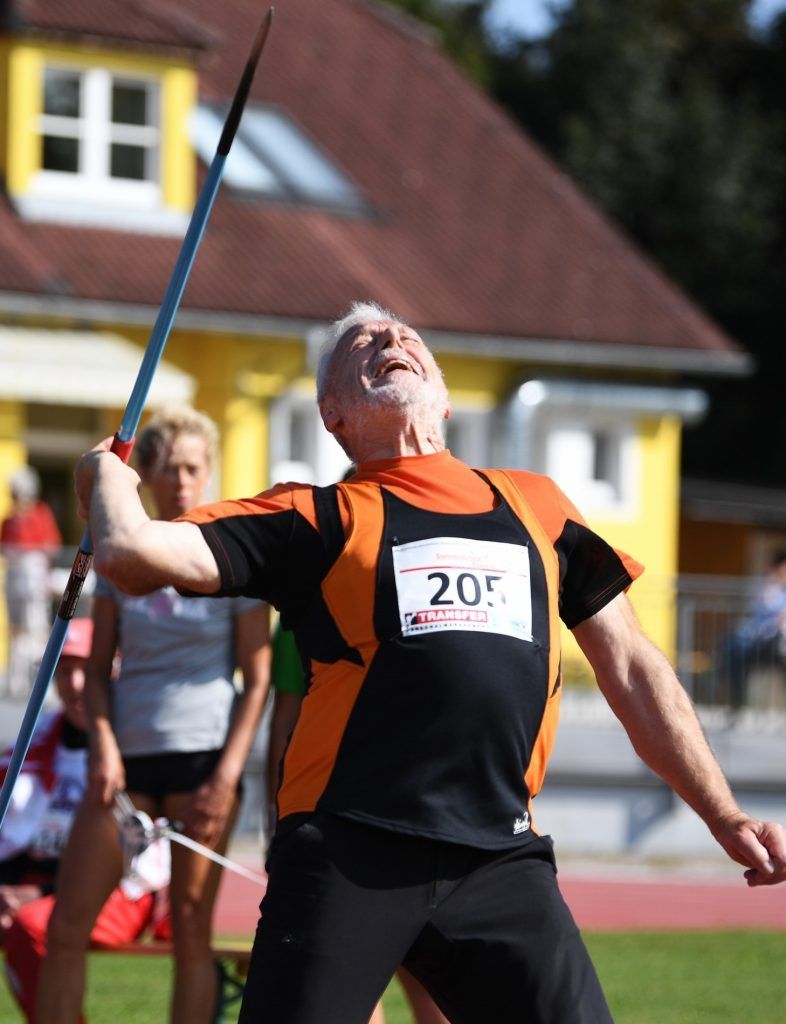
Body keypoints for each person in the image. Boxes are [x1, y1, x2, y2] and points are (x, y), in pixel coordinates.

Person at [72, 302, 786, 1024]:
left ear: (443, 397)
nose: (390, 337)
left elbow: (633, 667)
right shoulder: (315, 518)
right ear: (333, 414)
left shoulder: (537, 506)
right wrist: (104, 475)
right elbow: (132, 554)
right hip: (349, 851)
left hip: (499, 858)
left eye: (407, 336)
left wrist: (722, 814)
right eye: (362, 344)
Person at [37, 407, 271, 1024]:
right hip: (125, 766)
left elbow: (259, 680)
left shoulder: (233, 559)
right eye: (169, 468)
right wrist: (104, 748)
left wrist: (226, 776)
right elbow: (99, 667)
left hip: (202, 764)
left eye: (195, 468)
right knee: (65, 928)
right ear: (147, 475)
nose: (183, 482)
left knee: (191, 938)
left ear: (210, 471)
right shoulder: (121, 559)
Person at [266, 623, 449, 1024]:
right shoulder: (300, 608)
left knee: (428, 983)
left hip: (418, 818)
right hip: (336, 820)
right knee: (346, 981)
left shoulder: (417, 602)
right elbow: (285, 721)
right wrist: (280, 814)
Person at [1, 618, 169, 1022]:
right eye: (63, 669)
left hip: (121, 893)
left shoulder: (138, 748)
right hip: (30, 889)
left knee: (32, 924)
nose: (76, 684)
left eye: (87, 668)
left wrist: (37, 894)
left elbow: (143, 862)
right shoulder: (24, 748)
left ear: (112, 672)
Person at [1, 466, 62, 696]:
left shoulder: (40, 514)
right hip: (15, 581)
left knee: (36, 629)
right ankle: (17, 681)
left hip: (33, 580)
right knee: (18, 631)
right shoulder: (10, 519)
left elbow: (50, 546)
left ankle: (38, 682)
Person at [724, 551, 786, 711]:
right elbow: (764, 607)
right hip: (763, 643)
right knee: (735, 653)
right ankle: (736, 707)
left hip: (779, 643)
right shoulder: (768, 588)